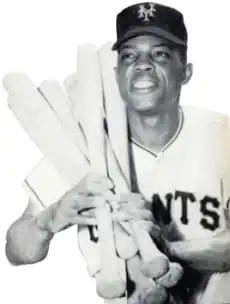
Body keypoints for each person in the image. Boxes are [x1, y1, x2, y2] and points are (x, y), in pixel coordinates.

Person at [5, 2, 230, 303]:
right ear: (116, 74)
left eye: (160, 54)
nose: (143, 64)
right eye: (129, 56)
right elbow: (16, 249)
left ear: (185, 72)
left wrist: (166, 249)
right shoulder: (79, 143)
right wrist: (50, 219)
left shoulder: (221, 136)